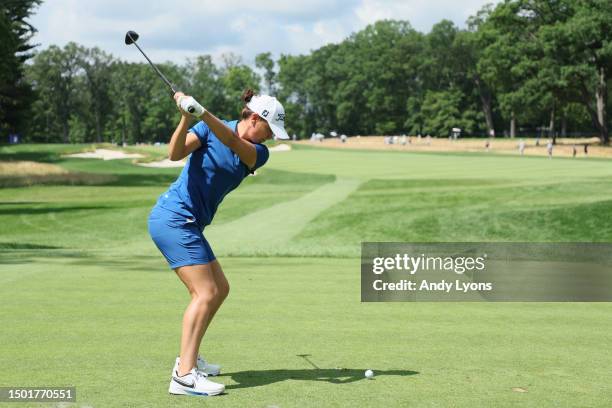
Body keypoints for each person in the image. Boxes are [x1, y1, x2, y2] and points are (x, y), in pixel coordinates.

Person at [147, 89, 289, 397]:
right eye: (269, 130)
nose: (270, 138)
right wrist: (186, 118)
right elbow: (174, 154)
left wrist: (202, 111)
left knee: (219, 289)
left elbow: (232, 142)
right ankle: (184, 375)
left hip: (189, 223)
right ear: (255, 118)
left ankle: (189, 356)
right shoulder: (206, 127)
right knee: (206, 292)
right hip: (173, 218)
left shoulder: (256, 152)